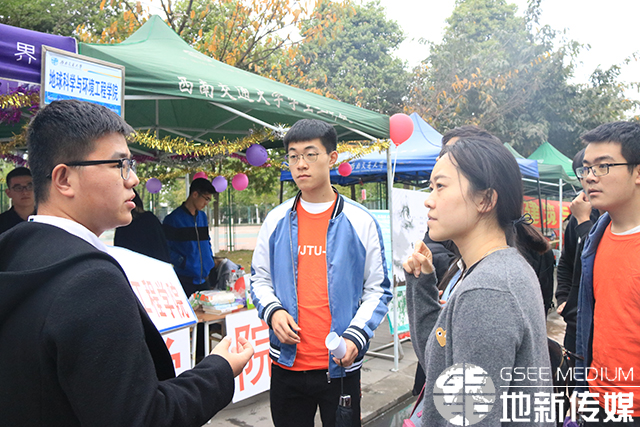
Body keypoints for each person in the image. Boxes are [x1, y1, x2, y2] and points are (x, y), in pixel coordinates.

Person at [0, 100, 253, 427]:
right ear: (64, 179)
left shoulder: (16, 254)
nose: (133, 179)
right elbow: (144, 418)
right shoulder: (91, 282)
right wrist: (219, 368)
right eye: (120, 164)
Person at [250, 119, 392, 427]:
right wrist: (274, 311)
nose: (300, 164)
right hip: (286, 365)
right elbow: (259, 279)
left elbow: (379, 290)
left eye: (310, 154)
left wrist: (356, 336)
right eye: (293, 156)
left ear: (332, 157)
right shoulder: (275, 220)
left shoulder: (361, 221)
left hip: (340, 368)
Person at [404, 138, 553, 425]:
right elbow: (440, 366)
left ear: (485, 200)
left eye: (440, 186)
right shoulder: (499, 269)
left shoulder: (488, 290)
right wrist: (422, 283)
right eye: (430, 187)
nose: (428, 200)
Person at [575, 121, 640, 424]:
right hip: (597, 400)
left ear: (637, 172)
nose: (590, 177)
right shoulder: (596, 237)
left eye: (603, 166)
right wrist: (581, 387)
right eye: (587, 168)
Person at [555, 148, 600, 353]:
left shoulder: (616, 218)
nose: (589, 178)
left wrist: (583, 222)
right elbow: (566, 262)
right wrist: (564, 298)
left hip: (603, 327)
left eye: (598, 169)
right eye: (583, 172)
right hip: (575, 325)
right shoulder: (577, 217)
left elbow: (601, 262)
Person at [163, 177, 216, 297]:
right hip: (185, 280)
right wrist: (183, 262)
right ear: (195, 194)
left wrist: (209, 260)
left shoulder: (203, 217)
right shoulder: (173, 219)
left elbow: (206, 242)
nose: (206, 203)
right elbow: (166, 249)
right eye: (206, 199)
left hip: (204, 280)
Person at [114, 189, 171, 262]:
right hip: (151, 263)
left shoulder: (123, 224)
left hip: (128, 264)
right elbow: (160, 247)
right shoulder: (149, 219)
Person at [0, 166, 35, 234]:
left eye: (29, 186)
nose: (25, 192)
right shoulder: (2, 223)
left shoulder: (47, 219)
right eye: (18, 188)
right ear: (8, 193)